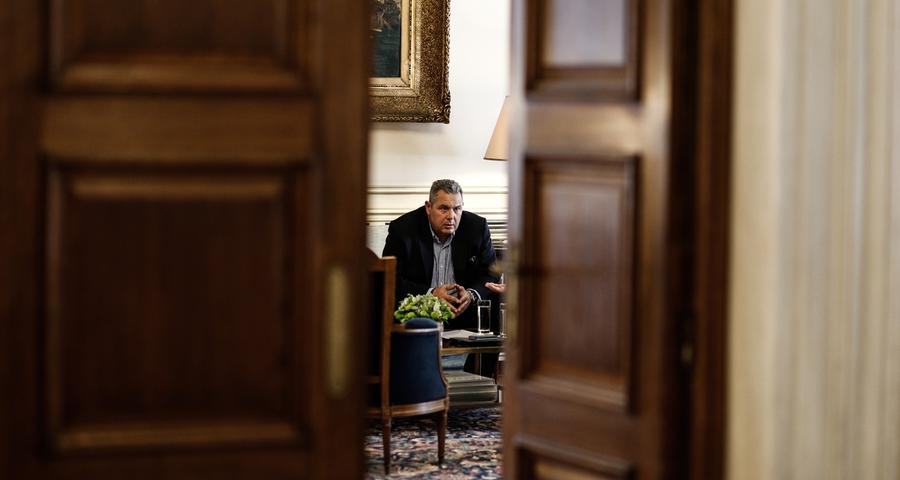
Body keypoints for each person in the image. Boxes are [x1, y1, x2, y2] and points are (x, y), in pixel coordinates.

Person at [382, 179, 499, 331]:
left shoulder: (477, 228)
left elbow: (491, 272)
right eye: (444, 209)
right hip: (418, 317)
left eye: (457, 209)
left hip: (464, 315)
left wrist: (471, 295)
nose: (451, 216)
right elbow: (390, 278)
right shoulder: (403, 230)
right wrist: (431, 293)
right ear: (428, 207)